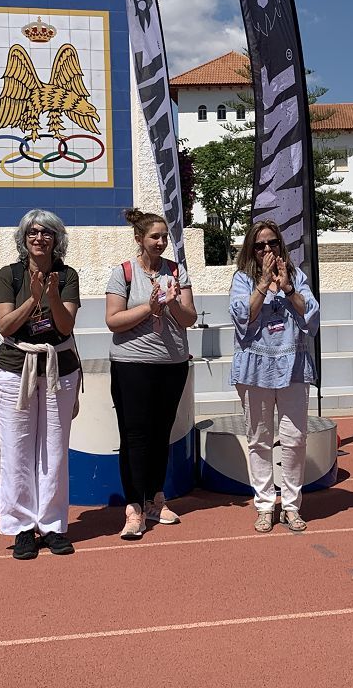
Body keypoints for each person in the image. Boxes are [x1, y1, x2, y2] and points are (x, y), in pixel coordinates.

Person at [0, 209, 81, 560]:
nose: (39, 238)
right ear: (23, 238)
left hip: (59, 368)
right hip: (17, 368)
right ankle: (21, 528)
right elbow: (5, 327)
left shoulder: (67, 275)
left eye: (46, 233)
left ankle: (53, 525)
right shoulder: (10, 275)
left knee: (54, 450)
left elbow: (65, 326)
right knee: (16, 450)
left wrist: (53, 295)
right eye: (32, 232)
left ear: (56, 239)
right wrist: (32, 298)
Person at [105, 209, 197, 539]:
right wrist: (150, 307)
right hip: (132, 365)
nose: (160, 242)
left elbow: (188, 318)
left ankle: (157, 499)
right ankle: (134, 508)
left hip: (171, 365)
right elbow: (113, 320)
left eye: (164, 237)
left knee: (161, 434)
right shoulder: (124, 273)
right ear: (139, 239)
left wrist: (171, 303)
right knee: (134, 437)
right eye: (154, 237)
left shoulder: (176, 270)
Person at [229, 220, 319, 533]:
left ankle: (291, 506)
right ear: (251, 250)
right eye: (260, 245)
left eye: (272, 243)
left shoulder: (296, 277)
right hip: (256, 368)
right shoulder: (242, 279)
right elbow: (243, 316)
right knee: (259, 438)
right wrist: (263, 283)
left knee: (295, 439)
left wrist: (288, 288)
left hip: (293, 365)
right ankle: (265, 506)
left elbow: (311, 316)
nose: (267, 249)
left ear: (281, 245)